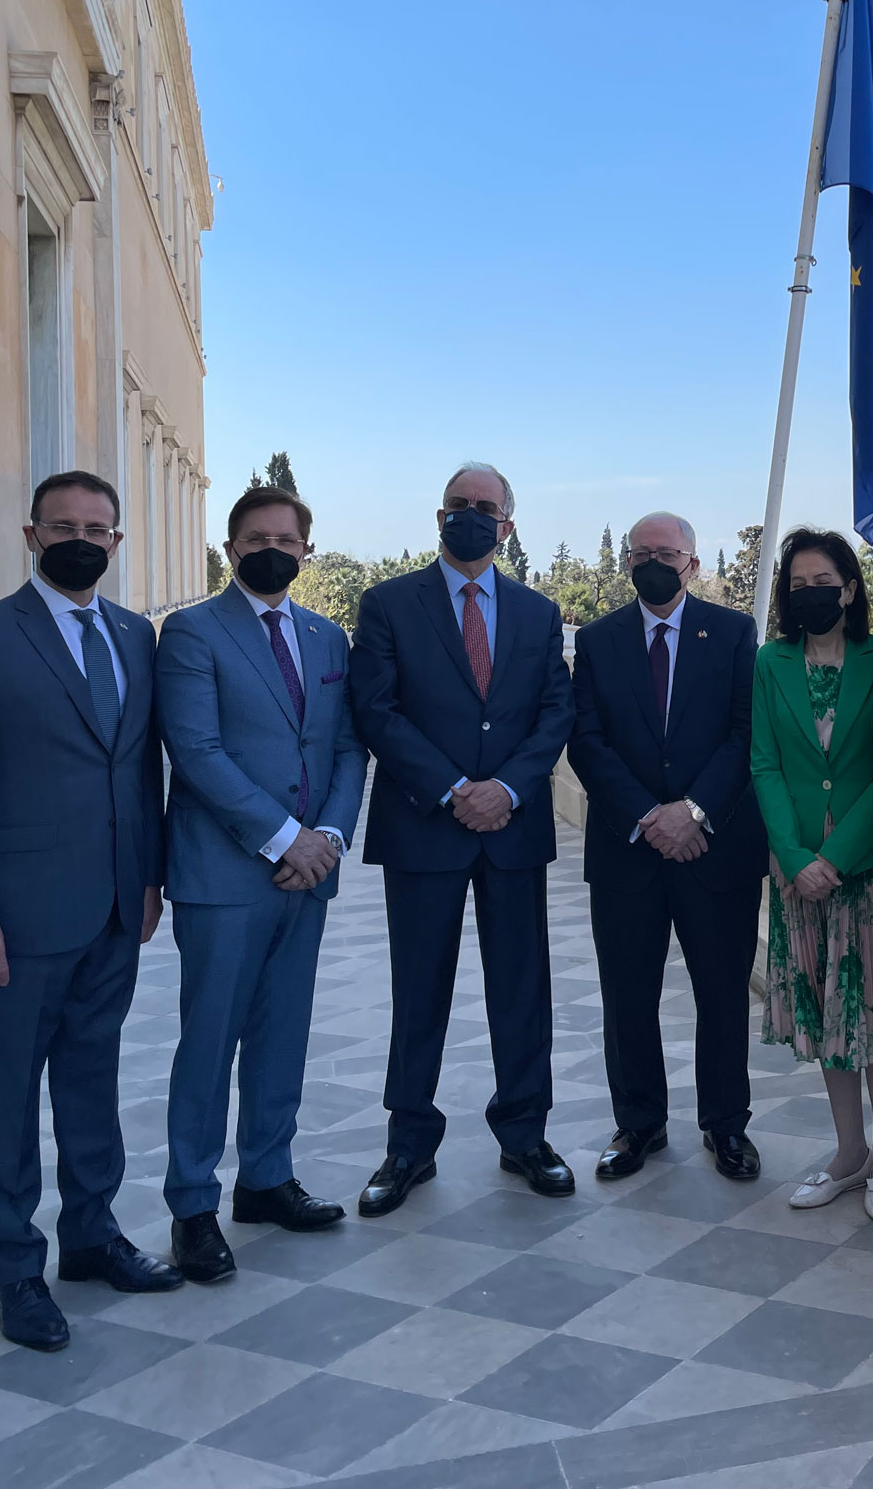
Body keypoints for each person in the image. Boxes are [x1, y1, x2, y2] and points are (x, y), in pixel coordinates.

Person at [0, 472, 180, 1351]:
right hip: (14, 922)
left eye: (97, 528)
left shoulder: (134, 636)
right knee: (5, 1098)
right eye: (64, 526)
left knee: (91, 1080)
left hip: (113, 908)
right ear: (32, 535)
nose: (82, 539)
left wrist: (147, 880)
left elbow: (139, 769)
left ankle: (91, 1235)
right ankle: (13, 1269)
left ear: (116, 542)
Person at [155, 486, 368, 1284]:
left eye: (285, 539)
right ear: (230, 548)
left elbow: (347, 749)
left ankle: (267, 1178)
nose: (270, 550)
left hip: (306, 876)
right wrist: (286, 838)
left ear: (306, 550)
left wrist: (330, 839)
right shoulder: (192, 632)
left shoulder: (326, 636)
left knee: (283, 1033)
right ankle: (192, 1207)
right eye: (255, 539)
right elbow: (197, 751)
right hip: (225, 874)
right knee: (210, 1042)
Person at [350, 463, 575, 1211]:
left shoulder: (538, 613)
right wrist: (453, 789)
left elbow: (555, 712)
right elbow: (377, 711)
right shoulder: (388, 604)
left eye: (484, 506)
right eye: (458, 505)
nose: (469, 515)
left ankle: (525, 1134)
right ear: (438, 517)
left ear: (507, 525)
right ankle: (408, 1145)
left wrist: (505, 788)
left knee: (522, 989)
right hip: (425, 826)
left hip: (512, 828)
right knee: (418, 991)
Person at [569, 513, 765, 1182]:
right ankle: (638, 1123)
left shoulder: (734, 632)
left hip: (716, 849)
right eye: (641, 552)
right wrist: (649, 816)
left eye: (667, 553)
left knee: (723, 994)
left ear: (693, 564)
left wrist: (693, 812)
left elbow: (745, 732)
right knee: (628, 995)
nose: (653, 562)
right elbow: (586, 739)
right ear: (626, 561)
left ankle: (726, 1124)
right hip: (627, 848)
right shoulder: (598, 640)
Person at [751, 528, 873, 1220]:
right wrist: (797, 859)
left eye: (822, 582)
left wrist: (836, 857)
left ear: (850, 590)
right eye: (797, 585)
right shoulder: (770, 663)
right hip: (798, 873)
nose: (810, 594)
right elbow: (764, 763)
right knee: (829, 1010)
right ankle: (848, 1151)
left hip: (872, 865)